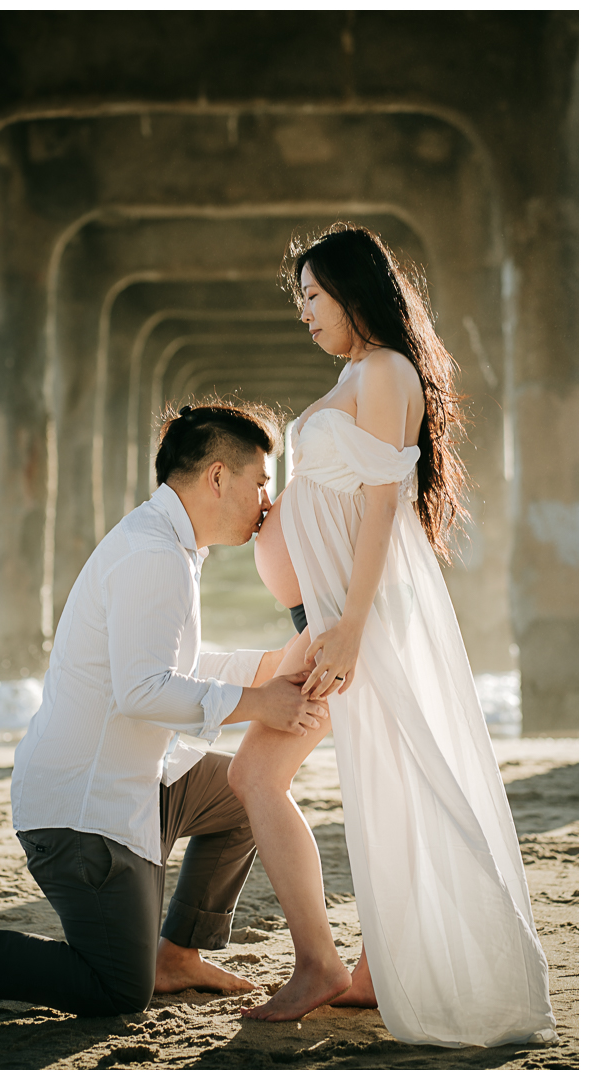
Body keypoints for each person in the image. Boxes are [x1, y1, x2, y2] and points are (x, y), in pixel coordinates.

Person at [0, 402, 329, 1020]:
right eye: (261, 482)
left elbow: (171, 667)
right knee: (117, 989)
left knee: (249, 793)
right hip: (82, 814)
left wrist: (270, 666)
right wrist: (259, 704)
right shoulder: (154, 556)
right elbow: (142, 691)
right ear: (218, 477)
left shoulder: (168, 545)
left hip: (138, 782)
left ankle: (177, 954)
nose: (267, 502)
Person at [228, 223, 558, 1048]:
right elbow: (343, 502)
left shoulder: (384, 371)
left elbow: (381, 513)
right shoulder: (360, 373)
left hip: (353, 625)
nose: (303, 312)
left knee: (277, 773)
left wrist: (348, 630)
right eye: (299, 299)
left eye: (311, 295)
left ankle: (322, 964)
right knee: (388, 779)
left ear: (350, 290)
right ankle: (370, 965)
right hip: (335, 621)